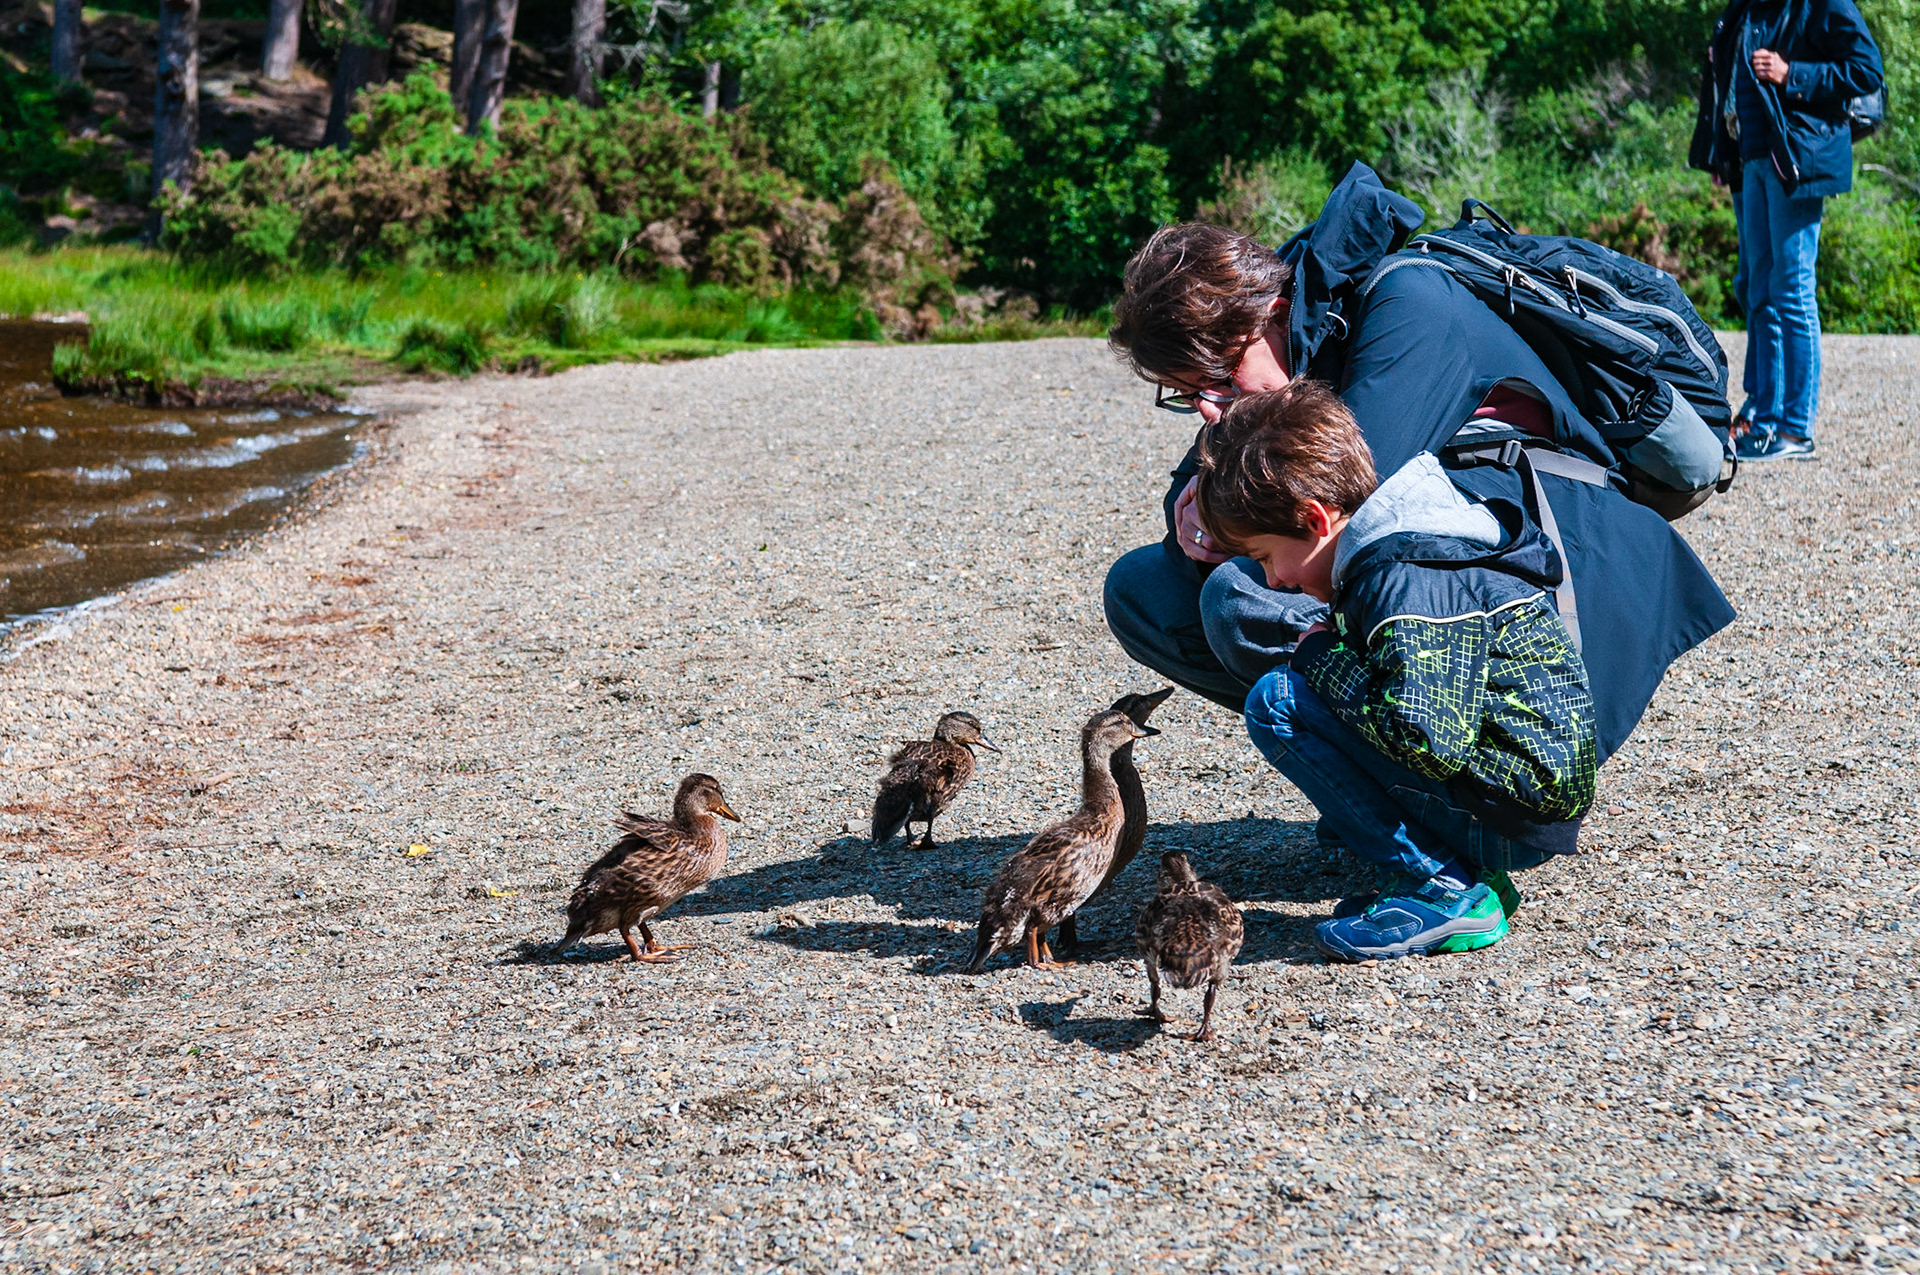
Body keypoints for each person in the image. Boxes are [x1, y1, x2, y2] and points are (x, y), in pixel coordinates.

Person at [1104, 164, 1734, 772]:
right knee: (1144, 590)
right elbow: (1212, 501)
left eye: (1217, 379)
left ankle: (1460, 794)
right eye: (1189, 396)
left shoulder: (1408, 305)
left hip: (1556, 571)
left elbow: (1343, 504)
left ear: (1268, 310)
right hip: (1445, 568)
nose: (1212, 412)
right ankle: (1381, 776)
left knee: (1242, 596)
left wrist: (1220, 518)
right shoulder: (1278, 368)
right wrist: (1198, 515)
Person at [1195, 382, 1596, 960]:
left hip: (1507, 819)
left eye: (1264, 556)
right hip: (1512, 805)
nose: (1275, 580)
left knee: (1278, 701)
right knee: (1300, 686)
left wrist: (1322, 661)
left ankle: (1446, 888)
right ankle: (1460, 871)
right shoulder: (1401, 547)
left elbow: (1426, 740)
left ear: (1314, 518)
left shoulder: (1405, 580)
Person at [1689, 0, 1884, 462]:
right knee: (1758, 289)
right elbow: (1726, 80)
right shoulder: (1746, 8)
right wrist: (1721, 149)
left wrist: (1790, 72)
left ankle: (1796, 430)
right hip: (1752, 156)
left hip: (1796, 156)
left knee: (1792, 290)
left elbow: (1866, 70)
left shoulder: (1821, 4)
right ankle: (1763, 416)